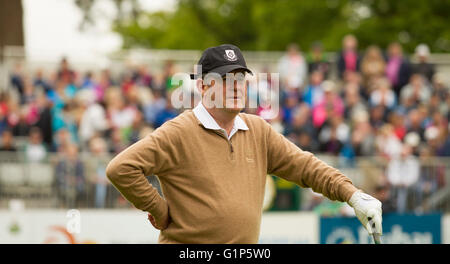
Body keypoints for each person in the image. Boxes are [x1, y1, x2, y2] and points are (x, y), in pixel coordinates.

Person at [106, 44, 382, 244]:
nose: (237, 86)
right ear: (203, 87)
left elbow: (306, 167)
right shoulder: (179, 131)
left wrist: (353, 195)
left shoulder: (258, 129)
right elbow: (121, 168)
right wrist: (160, 209)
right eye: (226, 79)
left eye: (240, 79)